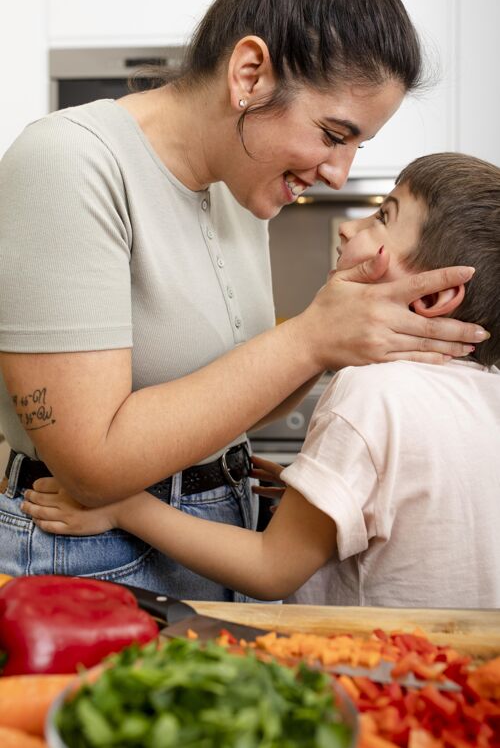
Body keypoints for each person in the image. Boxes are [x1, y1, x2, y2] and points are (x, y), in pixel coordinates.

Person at [0, 0, 486, 600]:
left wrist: (333, 337)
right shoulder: (69, 160)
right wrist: (313, 335)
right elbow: (91, 468)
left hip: (222, 522)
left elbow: (237, 398)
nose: (340, 173)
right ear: (249, 76)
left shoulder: (240, 183)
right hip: (90, 552)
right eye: (334, 135)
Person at [21, 152, 500, 608]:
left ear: (435, 297)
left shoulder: (372, 392)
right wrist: (315, 492)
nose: (350, 228)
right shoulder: (488, 389)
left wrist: (125, 509)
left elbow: (272, 570)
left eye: (382, 218)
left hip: (369, 671)